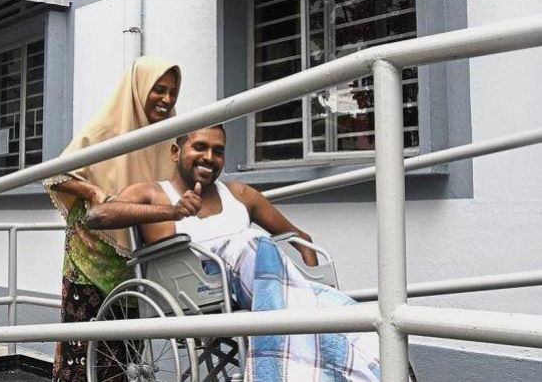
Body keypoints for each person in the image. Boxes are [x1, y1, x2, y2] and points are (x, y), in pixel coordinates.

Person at [84, 126, 406, 382]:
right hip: (200, 290)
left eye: (218, 151)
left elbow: (301, 239)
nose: (209, 157)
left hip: (272, 289)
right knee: (252, 242)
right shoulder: (153, 193)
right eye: (200, 147)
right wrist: (172, 211)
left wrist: (312, 281)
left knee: (363, 322)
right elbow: (97, 216)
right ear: (175, 151)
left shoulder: (239, 194)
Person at [43, 55, 181, 382]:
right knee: (83, 348)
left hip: (135, 259)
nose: (166, 99)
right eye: (159, 89)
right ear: (139, 88)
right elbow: (55, 175)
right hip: (91, 256)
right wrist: (92, 190)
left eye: (172, 92)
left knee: (123, 354)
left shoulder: (172, 135)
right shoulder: (105, 129)